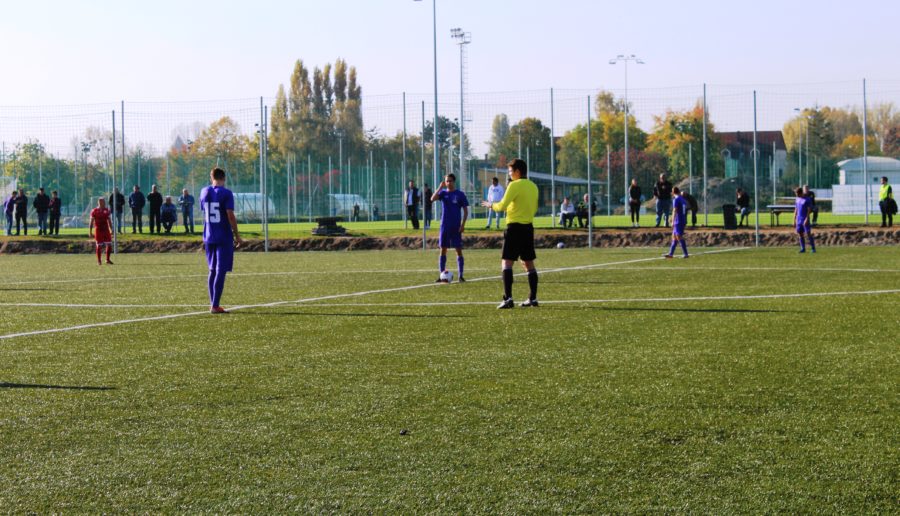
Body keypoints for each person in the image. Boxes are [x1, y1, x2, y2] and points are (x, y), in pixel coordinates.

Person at [481, 158, 539, 309]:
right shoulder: (533, 186)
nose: (509, 174)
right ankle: (532, 298)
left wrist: (490, 205)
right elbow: (534, 208)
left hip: (514, 228)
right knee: (528, 263)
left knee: (506, 262)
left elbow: (501, 206)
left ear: (517, 171)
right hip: (528, 228)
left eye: (510, 171)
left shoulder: (514, 185)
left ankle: (508, 299)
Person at [201, 167, 242, 314]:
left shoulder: (204, 191)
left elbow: (204, 210)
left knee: (212, 270)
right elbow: (230, 215)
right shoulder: (226, 193)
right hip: (223, 236)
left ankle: (213, 304)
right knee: (221, 270)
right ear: (223, 178)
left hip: (208, 235)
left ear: (211, 177)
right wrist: (237, 235)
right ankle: (215, 305)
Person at [432, 173, 469, 283]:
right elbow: (432, 198)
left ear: (454, 181)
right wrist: (440, 187)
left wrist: (463, 225)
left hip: (456, 226)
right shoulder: (443, 193)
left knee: (458, 250)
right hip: (445, 226)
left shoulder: (460, 194)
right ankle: (441, 275)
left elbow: (465, 211)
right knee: (443, 250)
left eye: (450, 181)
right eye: (447, 181)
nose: (448, 183)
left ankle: (461, 276)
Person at [664, 187, 689, 259]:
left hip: (678, 221)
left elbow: (675, 210)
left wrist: (672, 220)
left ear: (673, 192)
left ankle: (686, 254)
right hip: (682, 219)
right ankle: (671, 254)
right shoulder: (683, 199)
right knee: (674, 237)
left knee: (678, 236)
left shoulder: (676, 199)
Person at [89, 197, 114, 266]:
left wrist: (111, 229)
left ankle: (107, 259)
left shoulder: (107, 210)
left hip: (106, 229)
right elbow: (91, 221)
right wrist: (90, 231)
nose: (103, 203)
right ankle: (99, 261)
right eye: (102, 202)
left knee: (109, 244)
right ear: (99, 202)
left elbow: (109, 221)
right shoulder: (94, 211)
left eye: (104, 202)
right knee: (99, 245)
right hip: (98, 230)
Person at [794, 186, 816, 253]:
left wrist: (807, 218)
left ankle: (813, 248)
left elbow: (809, 210)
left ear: (801, 193)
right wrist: (794, 219)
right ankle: (803, 248)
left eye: (797, 194)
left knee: (808, 233)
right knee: (800, 233)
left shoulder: (807, 199)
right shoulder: (797, 199)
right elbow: (796, 209)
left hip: (804, 218)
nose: (797, 195)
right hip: (798, 219)